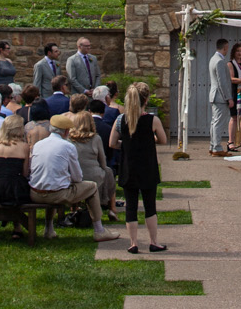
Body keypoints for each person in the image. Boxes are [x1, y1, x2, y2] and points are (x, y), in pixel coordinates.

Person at [31, 113, 118, 240]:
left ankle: (48, 228)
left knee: (50, 184)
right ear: (66, 131)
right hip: (57, 194)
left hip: (35, 193)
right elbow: (78, 177)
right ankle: (99, 230)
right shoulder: (67, 146)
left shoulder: (38, 145)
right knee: (92, 187)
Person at [110, 81, 168, 254]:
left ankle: (133, 243)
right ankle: (153, 241)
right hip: (148, 167)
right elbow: (163, 140)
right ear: (146, 99)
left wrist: (126, 144)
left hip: (129, 167)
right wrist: (151, 140)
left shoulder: (121, 120)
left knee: (131, 207)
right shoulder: (152, 120)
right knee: (150, 206)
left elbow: (112, 143)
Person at [67, 106, 116, 216]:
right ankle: (112, 208)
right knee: (108, 172)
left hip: (74, 176)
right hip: (94, 176)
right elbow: (103, 162)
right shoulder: (96, 138)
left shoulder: (69, 139)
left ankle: (74, 208)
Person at [206, 37, 232, 156]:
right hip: (220, 97)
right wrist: (228, 98)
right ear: (225, 47)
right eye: (227, 48)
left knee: (214, 122)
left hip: (214, 95)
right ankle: (217, 147)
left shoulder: (213, 59)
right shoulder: (220, 61)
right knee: (218, 123)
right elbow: (222, 82)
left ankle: (213, 145)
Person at [227, 42, 241, 153]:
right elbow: (231, 78)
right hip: (235, 93)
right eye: (237, 51)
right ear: (234, 52)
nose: (240, 53)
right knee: (234, 117)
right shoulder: (230, 64)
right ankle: (230, 142)